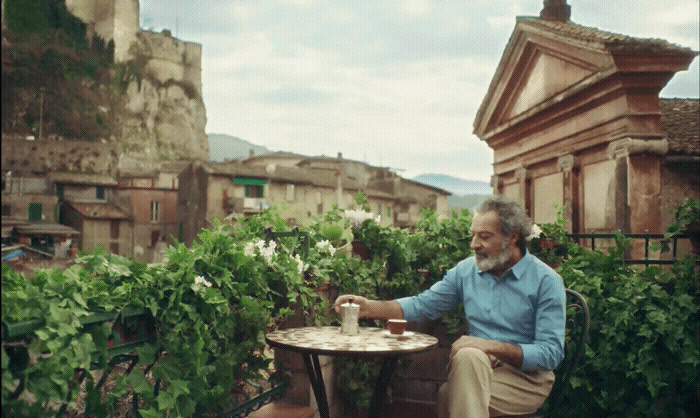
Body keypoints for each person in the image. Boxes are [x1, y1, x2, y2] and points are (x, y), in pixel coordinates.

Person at [334, 197, 566, 417]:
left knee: (450, 395)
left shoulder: (546, 281)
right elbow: (423, 304)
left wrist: (490, 346)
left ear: (512, 237)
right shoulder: (467, 271)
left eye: (484, 236)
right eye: (473, 235)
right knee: (469, 357)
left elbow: (551, 353)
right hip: (474, 369)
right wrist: (368, 307)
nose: (474, 244)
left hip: (526, 381)